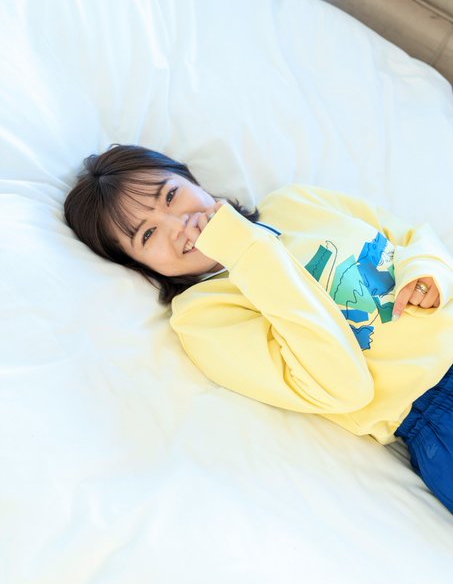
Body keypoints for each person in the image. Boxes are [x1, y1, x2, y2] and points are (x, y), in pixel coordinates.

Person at [64, 143, 453, 513]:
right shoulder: (203, 316)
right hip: (434, 407)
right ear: (138, 266)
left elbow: (411, 239)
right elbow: (345, 387)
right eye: (147, 235)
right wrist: (244, 249)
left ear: (191, 179)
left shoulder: (293, 202)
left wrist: (426, 273)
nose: (177, 225)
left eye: (170, 195)